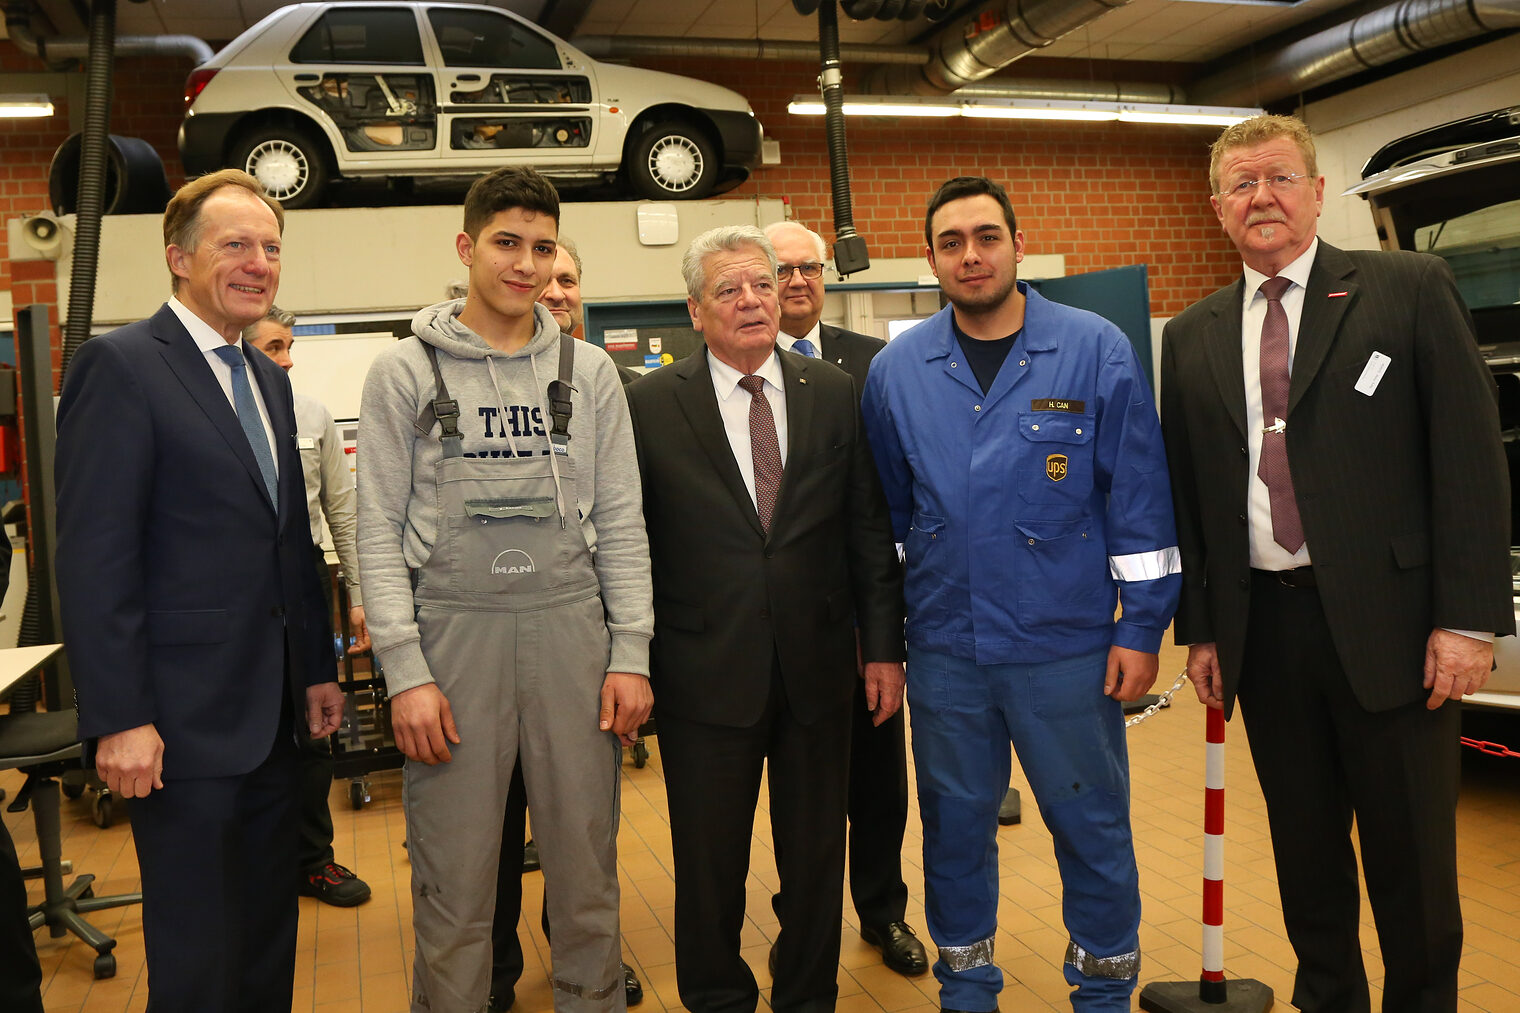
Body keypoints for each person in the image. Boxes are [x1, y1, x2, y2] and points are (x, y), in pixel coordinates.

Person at [1159, 113, 1512, 1013]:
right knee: (1307, 858)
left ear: (1318, 192)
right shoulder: (1193, 335)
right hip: (1265, 638)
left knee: (1414, 867)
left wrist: (1469, 621)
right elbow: (1192, 496)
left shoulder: (1408, 288)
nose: (1261, 196)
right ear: (1217, 209)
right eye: (1242, 184)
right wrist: (1201, 630)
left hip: (1394, 632)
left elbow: (1471, 461)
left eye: (1279, 177)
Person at [860, 176, 1180, 1013]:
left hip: (1067, 650)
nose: (971, 255)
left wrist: (1141, 630)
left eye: (987, 236)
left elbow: (1139, 501)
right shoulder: (897, 371)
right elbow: (890, 521)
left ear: (1017, 244)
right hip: (946, 654)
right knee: (955, 833)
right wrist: (889, 644)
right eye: (952, 242)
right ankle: (967, 993)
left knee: (1092, 829)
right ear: (931, 257)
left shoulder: (1094, 347)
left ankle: (1104, 994)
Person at [357, 166, 653, 1013]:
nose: (525, 264)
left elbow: (624, 523)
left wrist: (630, 650)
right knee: (454, 883)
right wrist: (405, 671)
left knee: (587, 872)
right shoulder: (404, 372)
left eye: (542, 246)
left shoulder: (590, 373)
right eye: (506, 243)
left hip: (571, 635)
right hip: (454, 644)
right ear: (467, 247)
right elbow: (377, 531)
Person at [53, 168, 344, 1011]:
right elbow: (95, 556)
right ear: (178, 256)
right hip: (178, 728)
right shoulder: (121, 367)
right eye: (236, 246)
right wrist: (117, 715)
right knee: (196, 961)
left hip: (274, 725)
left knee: (263, 947)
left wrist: (317, 671)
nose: (259, 263)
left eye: (271, 248)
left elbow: (288, 538)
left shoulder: (271, 379)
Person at [625, 224, 906, 1013]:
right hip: (701, 674)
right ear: (695, 309)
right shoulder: (649, 405)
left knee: (816, 852)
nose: (752, 300)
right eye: (729, 289)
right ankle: (716, 994)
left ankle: (808, 993)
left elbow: (867, 530)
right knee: (709, 857)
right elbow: (629, 542)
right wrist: (632, 662)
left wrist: (883, 651)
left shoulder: (834, 393)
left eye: (762, 283)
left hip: (821, 670)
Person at [760, 220, 928, 978]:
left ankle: (883, 909)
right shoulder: (728, 367)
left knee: (878, 778)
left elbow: (890, 499)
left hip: (859, 616)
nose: (796, 282)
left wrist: (882, 624)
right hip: (771, 624)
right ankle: (803, 912)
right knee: (796, 783)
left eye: (809, 269)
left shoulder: (874, 366)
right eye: (780, 270)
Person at [490, 237, 644, 1011]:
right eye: (541, 278)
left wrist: (632, 647)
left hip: (589, 645)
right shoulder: (470, 383)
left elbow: (628, 524)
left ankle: (591, 960)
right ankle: (491, 974)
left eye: (568, 279)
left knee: (582, 829)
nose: (553, 290)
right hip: (487, 640)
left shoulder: (610, 386)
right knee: (490, 827)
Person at [244, 306, 373, 908]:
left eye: (290, 345)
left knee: (314, 727)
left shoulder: (314, 415)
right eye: (275, 347)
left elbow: (343, 514)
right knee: (250, 729)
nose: (289, 359)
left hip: (309, 584)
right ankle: (257, 863)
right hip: (241, 597)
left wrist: (358, 597)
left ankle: (313, 860)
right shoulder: (216, 414)